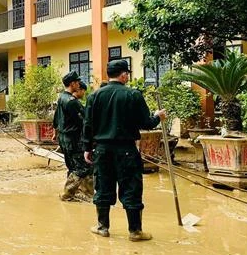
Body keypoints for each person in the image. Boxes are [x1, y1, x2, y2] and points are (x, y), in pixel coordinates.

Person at [83, 59, 166, 241]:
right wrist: (158, 117)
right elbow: (146, 123)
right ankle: (135, 231)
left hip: (102, 150)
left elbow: (88, 125)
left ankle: (102, 227)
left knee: (103, 187)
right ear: (123, 74)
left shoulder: (94, 97)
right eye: (127, 73)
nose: (128, 76)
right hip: (127, 150)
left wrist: (87, 148)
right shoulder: (133, 95)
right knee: (131, 188)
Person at [53, 72, 93, 202]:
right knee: (84, 167)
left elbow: (56, 118)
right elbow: (85, 120)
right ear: (72, 84)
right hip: (74, 139)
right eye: (77, 82)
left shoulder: (61, 98)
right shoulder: (71, 101)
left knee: (72, 166)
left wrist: (56, 133)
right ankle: (68, 193)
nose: (78, 84)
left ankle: (83, 193)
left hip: (64, 139)